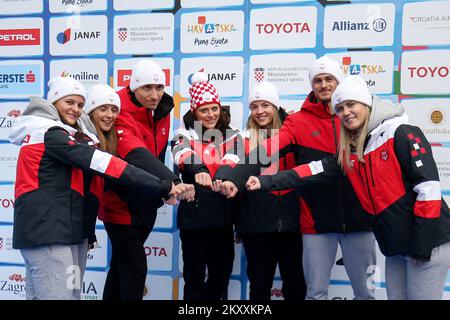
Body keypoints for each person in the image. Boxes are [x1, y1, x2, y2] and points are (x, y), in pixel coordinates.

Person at [246, 75, 450, 300]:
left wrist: (423, 244)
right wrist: (264, 181)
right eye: (340, 108)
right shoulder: (351, 151)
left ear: (367, 104)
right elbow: (311, 170)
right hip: (397, 246)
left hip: (428, 243)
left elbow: (428, 189)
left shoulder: (401, 132)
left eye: (351, 105)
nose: (346, 112)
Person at [9, 77, 188, 300]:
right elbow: (107, 165)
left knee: (67, 295)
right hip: (49, 232)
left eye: (79, 105)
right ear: (54, 103)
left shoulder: (74, 136)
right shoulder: (51, 134)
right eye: (69, 102)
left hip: (69, 231)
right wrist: (163, 185)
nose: (75, 109)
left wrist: (87, 231)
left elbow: (82, 191)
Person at [222, 56, 376, 300]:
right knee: (315, 293)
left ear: (339, 80)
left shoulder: (357, 114)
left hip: (359, 221)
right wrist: (234, 176)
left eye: (329, 79)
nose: (324, 85)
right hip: (316, 224)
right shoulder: (298, 121)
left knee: (366, 293)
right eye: (318, 80)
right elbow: (267, 150)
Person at [101, 59, 192, 300]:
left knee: (121, 268)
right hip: (119, 203)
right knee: (135, 268)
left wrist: (163, 190)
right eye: (147, 88)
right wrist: (173, 181)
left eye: (159, 88)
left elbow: (157, 155)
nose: (154, 95)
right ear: (133, 88)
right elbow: (135, 153)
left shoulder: (160, 110)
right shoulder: (117, 110)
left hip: (146, 202)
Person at [217, 82, 306, 300]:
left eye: (265, 104)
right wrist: (237, 222)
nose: (259, 111)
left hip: (292, 224)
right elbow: (230, 170)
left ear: (275, 107)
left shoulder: (293, 137)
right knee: (258, 287)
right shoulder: (242, 140)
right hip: (255, 226)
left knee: (295, 284)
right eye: (254, 106)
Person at [172, 72, 241, 300]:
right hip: (194, 219)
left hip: (223, 219)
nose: (210, 114)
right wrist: (199, 171)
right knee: (193, 279)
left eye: (214, 108)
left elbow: (234, 157)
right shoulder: (183, 134)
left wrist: (220, 175)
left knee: (221, 277)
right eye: (204, 110)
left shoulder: (232, 135)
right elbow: (181, 153)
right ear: (194, 112)